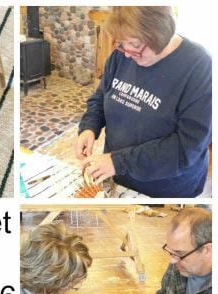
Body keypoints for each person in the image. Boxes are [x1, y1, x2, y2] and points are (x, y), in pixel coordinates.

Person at [75, 7, 212, 198]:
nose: (127, 53)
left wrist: (118, 162)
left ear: (160, 35)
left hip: (166, 189)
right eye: (122, 43)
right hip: (119, 176)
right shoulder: (121, 55)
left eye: (134, 44)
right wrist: (89, 127)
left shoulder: (201, 68)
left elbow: (187, 147)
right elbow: (100, 98)